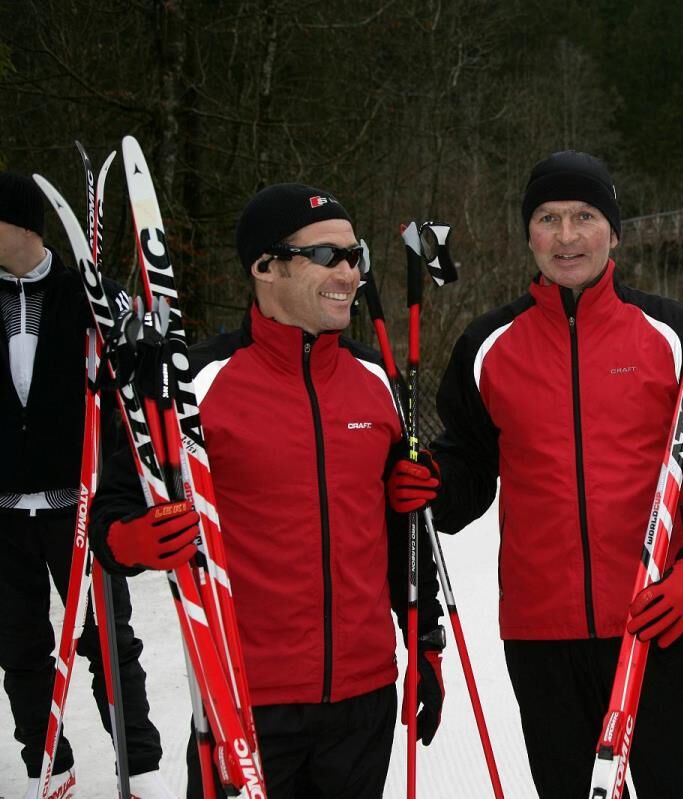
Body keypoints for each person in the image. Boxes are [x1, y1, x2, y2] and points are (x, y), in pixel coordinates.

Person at [391, 150, 683, 798]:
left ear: (614, 230)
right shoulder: (488, 346)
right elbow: (470, 465)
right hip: (543, 638)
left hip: (661, 622)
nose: (567, 237)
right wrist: (435, 484)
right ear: (528, 233)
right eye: (549, 218)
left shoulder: (676, 336)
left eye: (585, 216)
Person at [89, 183, 445, 799]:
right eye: (326, 256)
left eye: (355, 255)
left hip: (363, 700)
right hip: (244, 698)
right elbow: (109, 517)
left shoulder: (376, 381)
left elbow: (402, 532)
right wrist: (132, 539)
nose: (349, 272)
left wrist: (426, 638)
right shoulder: (196, 383)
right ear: (264, 267)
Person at [0, 171, 175, 799]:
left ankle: (142, 767)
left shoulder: (90, 296)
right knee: (19, 646)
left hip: (78, 506)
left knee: (109, 641)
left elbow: (141, 366)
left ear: (20, 225)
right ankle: (46, 762)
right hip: (3, 510)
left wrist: (130, 343)